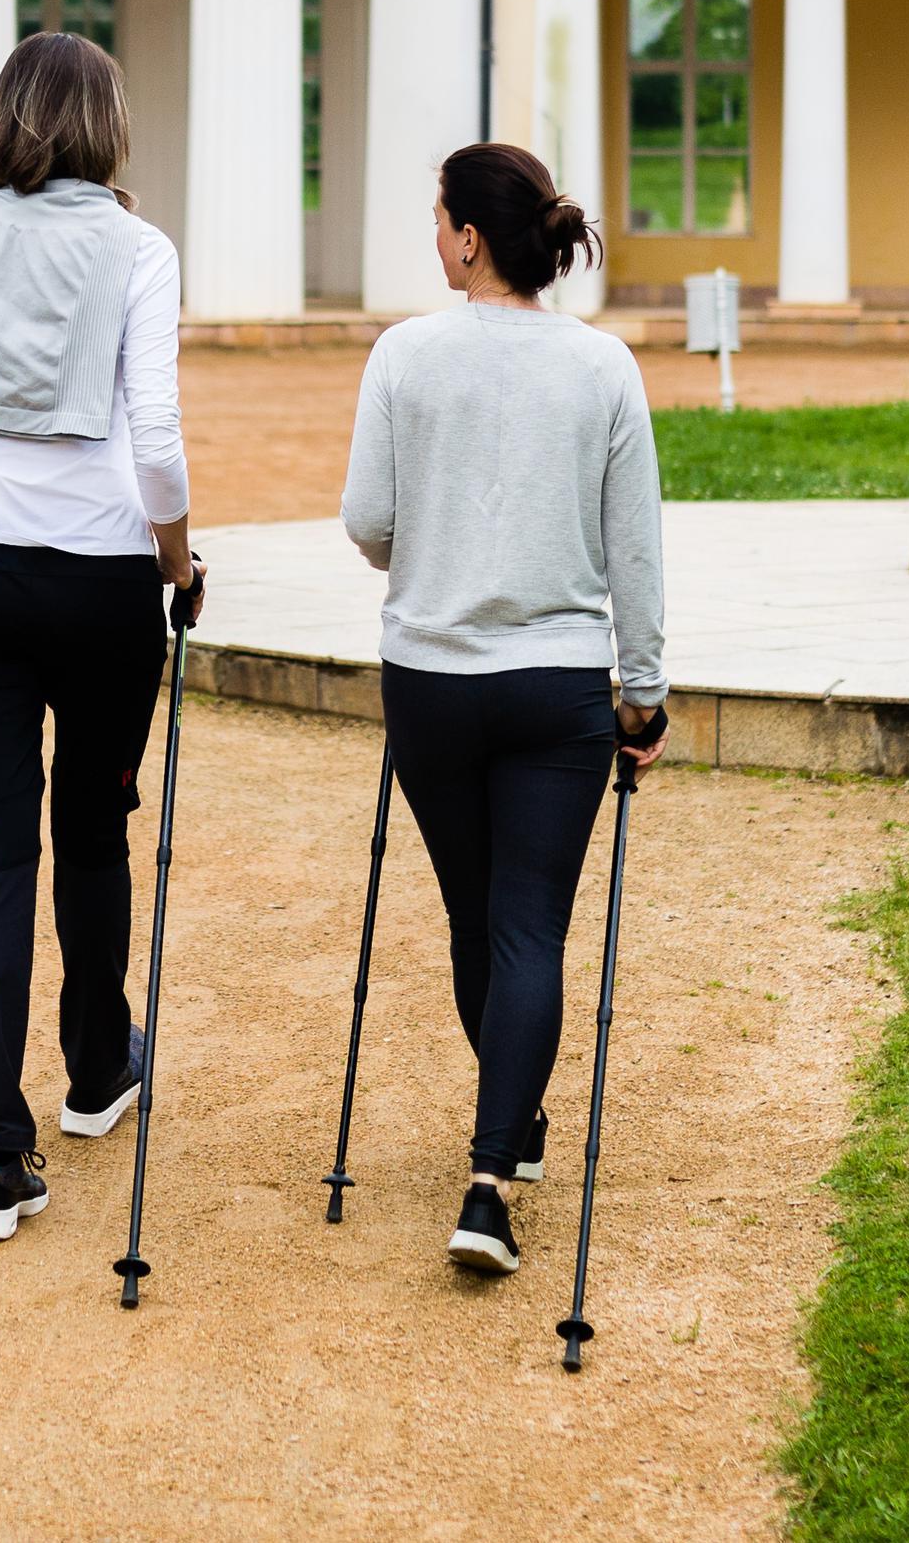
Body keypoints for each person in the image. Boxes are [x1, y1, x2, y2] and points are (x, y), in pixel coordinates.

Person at [0, 32, 201, 1243]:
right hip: (104, 586)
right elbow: (158, 442)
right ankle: (92, 1069)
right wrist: (179, 563)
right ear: (107, 123)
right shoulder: (138, 248)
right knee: (95, 827)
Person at [340, 140, 666, 1280]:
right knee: (530, 927)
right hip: (556, 685)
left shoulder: (404, 354)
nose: (434, 238)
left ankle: (506, 1126)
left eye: (438, 220)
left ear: (470, 238)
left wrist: (428, 548)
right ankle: (491, 1178)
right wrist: (645, 695)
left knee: (475, 921)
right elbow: (635, 551)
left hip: (429, 679)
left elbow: (367, 521)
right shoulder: (601, 366)